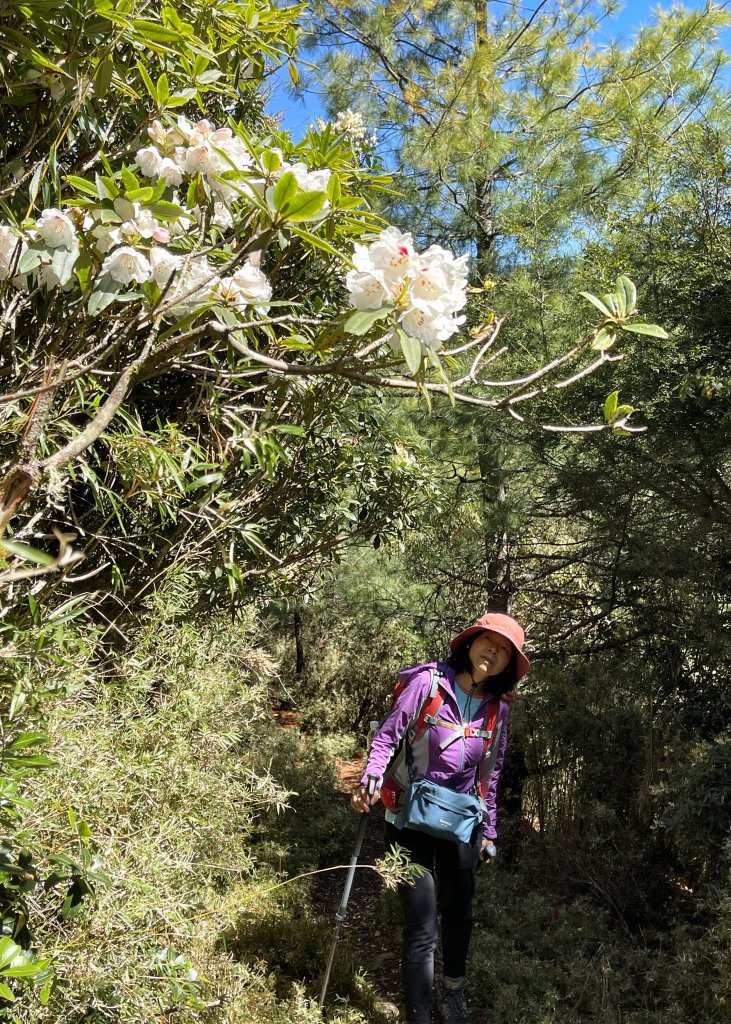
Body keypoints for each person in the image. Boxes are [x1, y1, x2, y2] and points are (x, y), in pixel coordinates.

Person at [351, 612, 530, 1024]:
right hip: (406, 816)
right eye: (489, 641)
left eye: (505, 650)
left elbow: (492, 774)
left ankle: (453, 995)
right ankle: (419, 1015)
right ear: (470, 643)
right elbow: (389, 734)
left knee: (460, 912)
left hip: (461, 821)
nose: (494, 651)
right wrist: (371, 777)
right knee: (422, 922)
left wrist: (489, 831)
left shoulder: (497, 711)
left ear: (508, 665)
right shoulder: (428, 683)